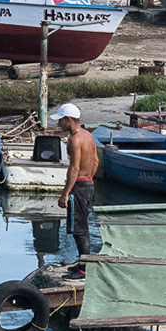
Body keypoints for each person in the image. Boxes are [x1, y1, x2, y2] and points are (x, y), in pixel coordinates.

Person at [53, 102, 99, 256]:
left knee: (78, 228)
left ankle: (83, 267)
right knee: (82, 224)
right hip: (88, 183)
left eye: (60, 120)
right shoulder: (89, 136)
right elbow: (95, 162)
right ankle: (82, 263)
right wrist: (89, 179)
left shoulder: (75, 140)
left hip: (78, 186)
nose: (58, 124)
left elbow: (74, 168)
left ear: (68, 120)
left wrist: (65, 193)